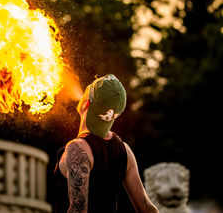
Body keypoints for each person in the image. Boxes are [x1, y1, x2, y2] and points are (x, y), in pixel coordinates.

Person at [54, 74, 158, 213]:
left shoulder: (77, 148)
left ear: (86, 103)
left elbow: (78, 210)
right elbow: (147, 209)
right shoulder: (125, 150)